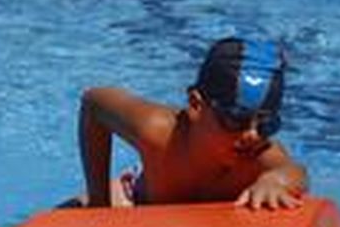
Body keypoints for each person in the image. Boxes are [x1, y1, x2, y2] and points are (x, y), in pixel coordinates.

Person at [76, 37, 309, 210]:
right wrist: (99, 203)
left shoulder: (259, 154)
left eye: (267, 124)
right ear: (196, 105)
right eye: (235, 119)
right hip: (134, 199)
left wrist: (275, 181)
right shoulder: (157, 130)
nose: (252, 134)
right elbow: (93, 104)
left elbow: (294, 172)